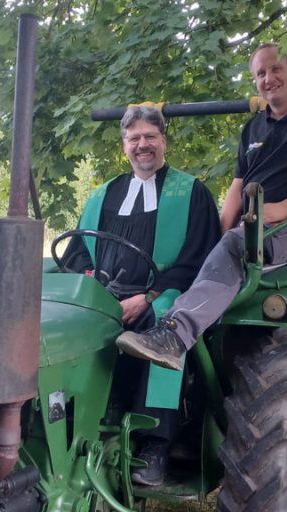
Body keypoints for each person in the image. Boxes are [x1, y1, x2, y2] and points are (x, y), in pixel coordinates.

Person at [115, 42, 287, 372]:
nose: (268, 78)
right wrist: (211, 239)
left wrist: (283, 208)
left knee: (235, 244)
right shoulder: (253, 128)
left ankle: (174, 336)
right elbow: (237, 188)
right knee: (217, 246)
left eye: (276, 69)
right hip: (253, 226)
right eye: (260, 73)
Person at [61, 106, 221, 486]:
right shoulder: (103, 195)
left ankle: (154, 445)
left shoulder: (191, 193)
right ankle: (78, 423)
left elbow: (200, 258)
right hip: (105, 294)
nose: (142, 145)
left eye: (150, 136)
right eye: (134, 139)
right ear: (124, 146)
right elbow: (78, 251)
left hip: (160, 294)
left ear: (163, 141)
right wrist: (94, 288)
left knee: (164, 320)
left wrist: (148, 295)